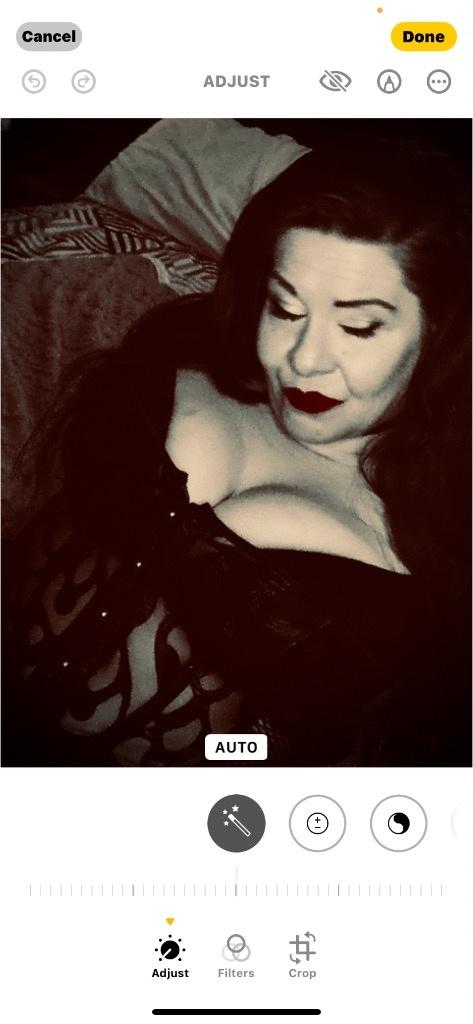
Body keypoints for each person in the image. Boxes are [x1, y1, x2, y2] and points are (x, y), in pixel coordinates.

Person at [3, 135, 471, 767]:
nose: (304, 359)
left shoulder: (435, 544)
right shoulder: (177, 358)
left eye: (358, 326)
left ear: (442, 338)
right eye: (285, 309)